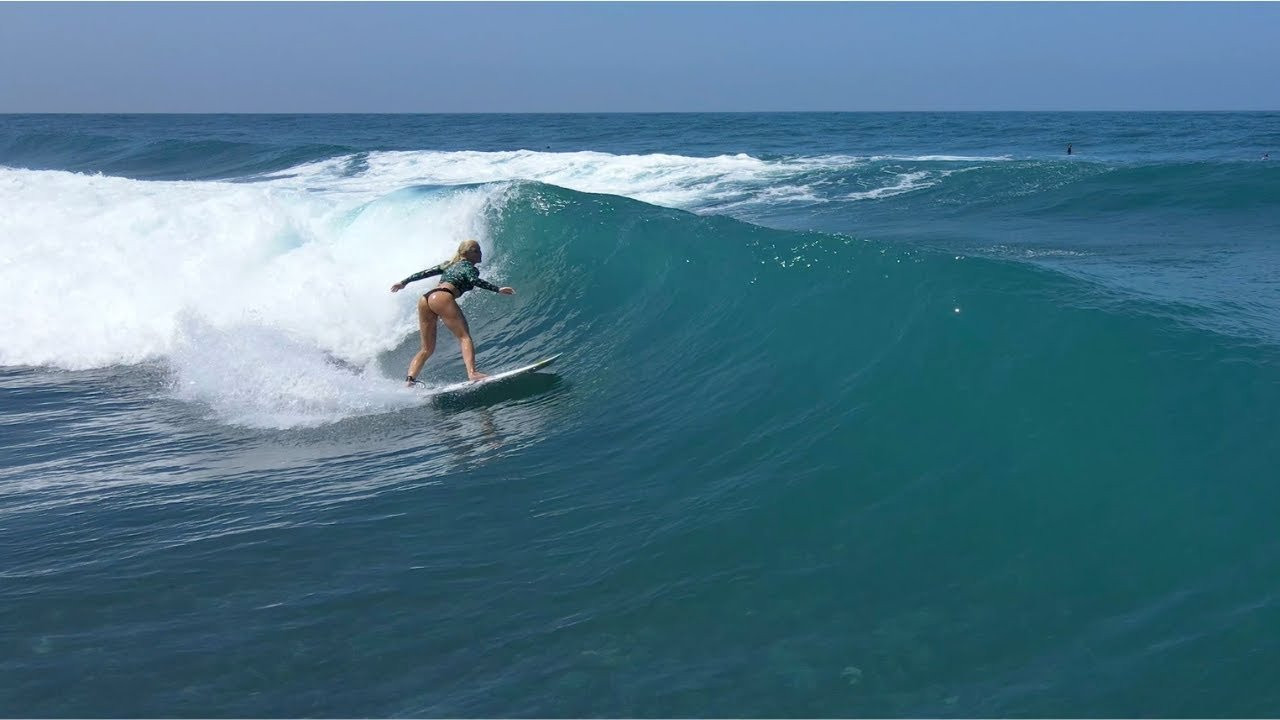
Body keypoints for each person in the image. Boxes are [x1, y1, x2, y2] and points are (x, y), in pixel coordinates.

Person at [390, 239, 515, 386]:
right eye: (476, 251)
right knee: (464, 337)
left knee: (426, 348)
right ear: (467, 253)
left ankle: (409, 381)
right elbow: (473, 280)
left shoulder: (449, 264)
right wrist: (497, 289)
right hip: (442, 296)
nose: (480, 253)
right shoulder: (469, 267)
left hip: (426, 299)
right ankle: (472, 373)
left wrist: (404, 282)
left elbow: (425, 273)